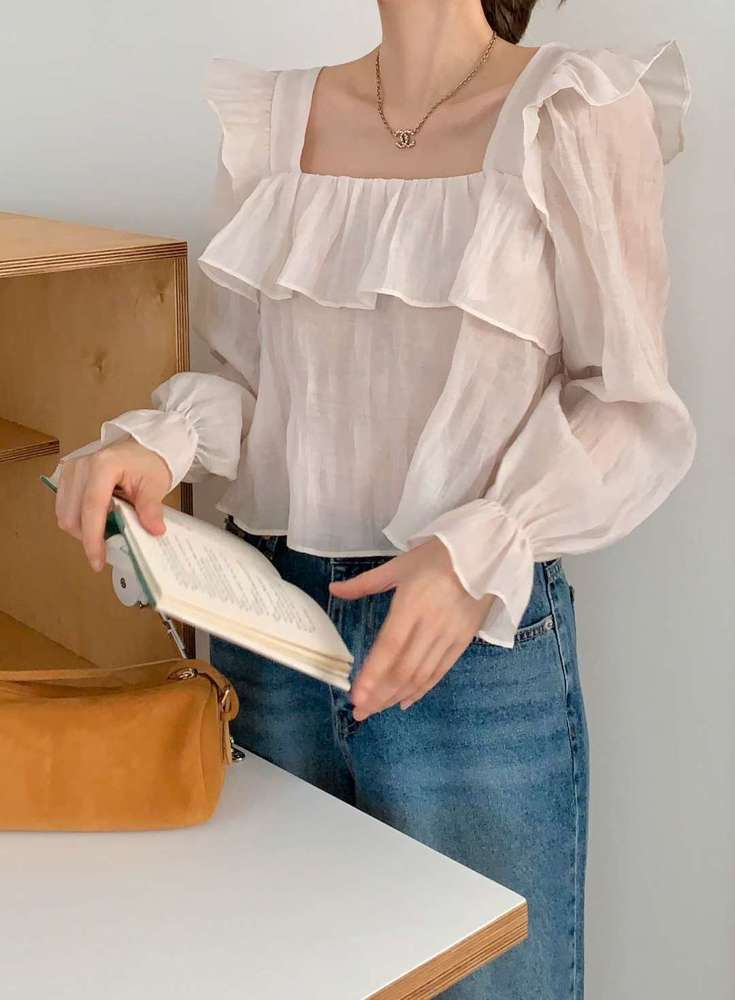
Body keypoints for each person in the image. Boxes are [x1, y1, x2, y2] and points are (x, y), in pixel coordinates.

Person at [53, 2, 696, 996]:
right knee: (284, 974)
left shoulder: (570, 109)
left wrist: (482, 547)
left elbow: (625, 404)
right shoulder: (277, 121)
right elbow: (252, 383)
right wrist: (160, 441)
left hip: (474, 649)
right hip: (272, 632)